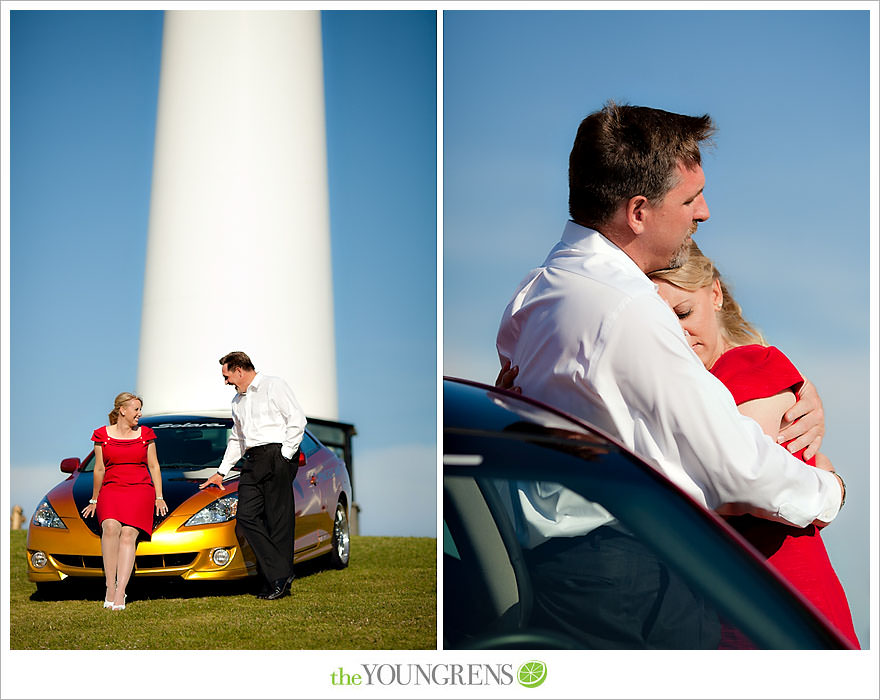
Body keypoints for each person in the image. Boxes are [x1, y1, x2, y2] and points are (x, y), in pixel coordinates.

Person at [495, 102, 845, 648]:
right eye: (689, 199)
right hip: (637, 585)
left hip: (563, 575)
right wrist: (828, 490)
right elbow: (737, 471)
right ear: (638, 211)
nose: (703, 213)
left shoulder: (537, 291)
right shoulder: (626, 307)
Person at [650, 241, 859, 648]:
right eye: (661, 324)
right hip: (738, 599)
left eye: (683, 313)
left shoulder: (750, 368)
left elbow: (737, 482)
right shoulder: (699, 389)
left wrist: (832, 485)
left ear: (714, 294)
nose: (678, 333)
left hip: (781, 601)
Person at [200, 351, 306, 601]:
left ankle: (277, 582)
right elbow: (237, 439)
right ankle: (280, 573)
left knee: (278, 521)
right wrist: (220, 472)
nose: (225, 382)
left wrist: (285, 455)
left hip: (277, 454)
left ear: (239, 370)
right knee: (246, 517)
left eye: (227, 376)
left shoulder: (273, 385)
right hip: (253, 459)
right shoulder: (237, 401)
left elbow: (297, 420)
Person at [81, 392, 167, 610]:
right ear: (123, 410)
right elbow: (99, 469)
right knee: (110, 527)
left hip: (140, 490)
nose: (139, 414)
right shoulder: (101, 435)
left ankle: (121, 592)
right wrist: (94, 498)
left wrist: (159, 496)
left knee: (129, 534)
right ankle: (110, 586)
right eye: (136, 409)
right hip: (111, 489)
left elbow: (154, 466)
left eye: (140, 409)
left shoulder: (146, 434)